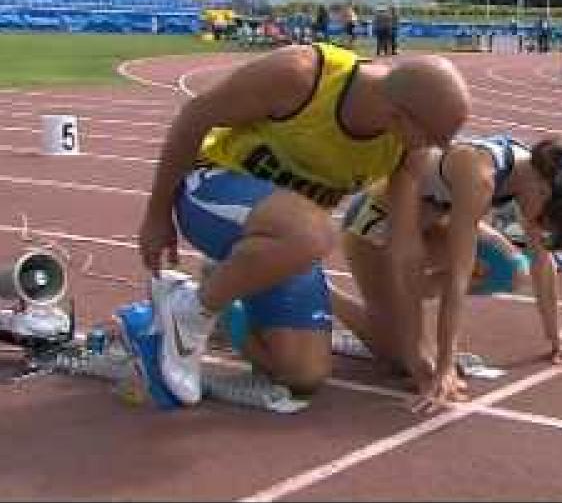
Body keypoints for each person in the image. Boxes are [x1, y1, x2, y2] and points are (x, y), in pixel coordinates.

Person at [127, 43, 471, 408]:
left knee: (302, 374)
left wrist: (420, 351)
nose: (439, 148)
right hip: (210, 190)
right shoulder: (302, 76)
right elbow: (195, 115)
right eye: (435, 137)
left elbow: (404, 249)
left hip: (287, 236)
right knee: (315, 232)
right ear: (398, 115)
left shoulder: (407, 150)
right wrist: (157, 214)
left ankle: (216, 292)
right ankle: (189, 314)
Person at [331, 135, 562, 411]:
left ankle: (400, 305)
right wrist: (444, 368)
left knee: (510, 269)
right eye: (544, 221)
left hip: (428, 224)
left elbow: (542, 259)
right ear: (544, 192)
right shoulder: (479, 178)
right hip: (375, 231)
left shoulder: (535, 175)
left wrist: (555, 334)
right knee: (400, 359)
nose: (540, 227)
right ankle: (328, 295)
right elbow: (457, 279)